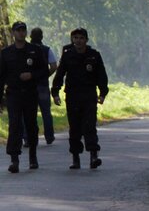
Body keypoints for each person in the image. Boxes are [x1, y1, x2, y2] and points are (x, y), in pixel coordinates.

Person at [51, 27, 109, 169]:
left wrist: (102, 93)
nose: (78, 41)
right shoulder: (68, 55)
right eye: (75, 38)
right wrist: (55, 92)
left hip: (89, 95)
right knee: (75, 128)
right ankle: (75, 158)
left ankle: (94, 155)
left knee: (89, 126)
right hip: (72, 96)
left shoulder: (94, 55)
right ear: (72, 40)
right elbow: (60, 74)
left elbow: (101, 76)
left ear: (86, 40)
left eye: (81, 38)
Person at [0, 21, 47, 172]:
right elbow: (1, 76)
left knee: (31, 124)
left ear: (26, 33)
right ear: (13, 33)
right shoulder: (6, 53)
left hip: (30, 93)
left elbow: (44, 70)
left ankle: (32, 155)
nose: (21, 33)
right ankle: (14, 159)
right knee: (14, 125)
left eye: (23, 30)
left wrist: (32, 75)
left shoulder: (34, 50)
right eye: (18, 30)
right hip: (13, 93)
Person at [21, 27, 57, 146]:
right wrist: (46, 75)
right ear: (42, 37)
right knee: (46, 112)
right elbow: (53, 66)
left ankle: (27, 138)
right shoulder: (46, 50)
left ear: (30, 36)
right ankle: (49, 136)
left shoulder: (25, 50)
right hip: (42, 84)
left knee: (27, 113)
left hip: (28, 86)